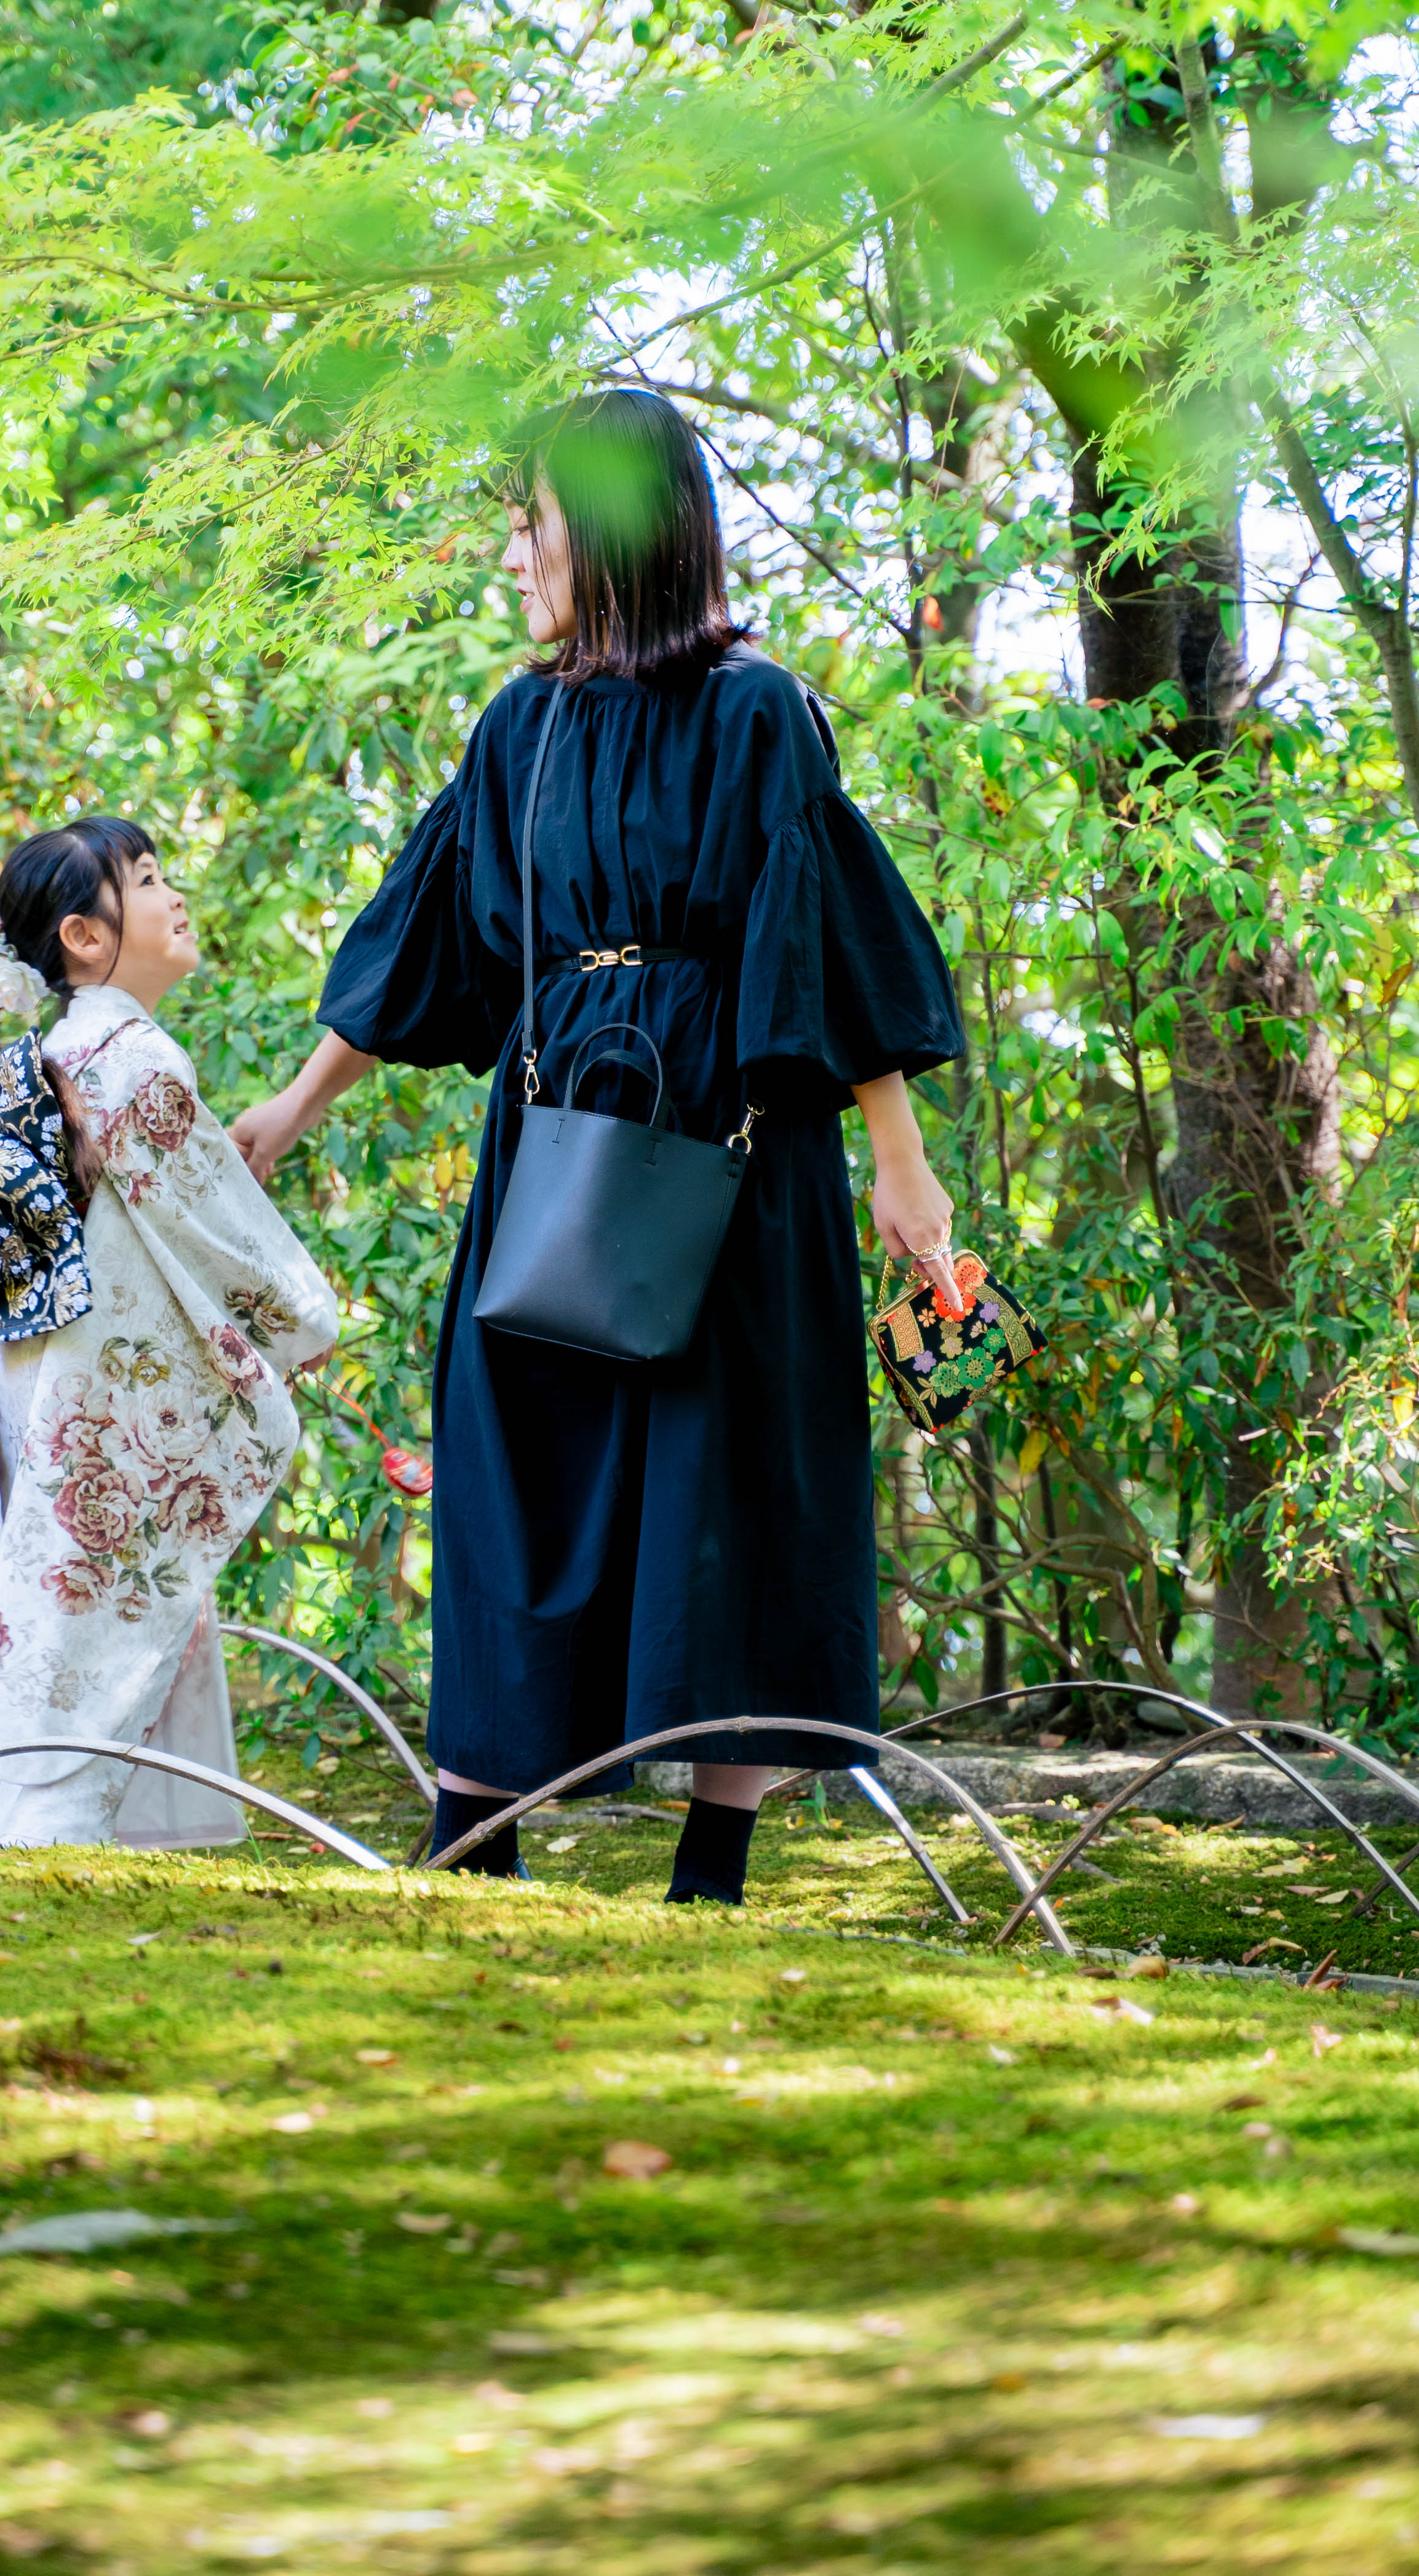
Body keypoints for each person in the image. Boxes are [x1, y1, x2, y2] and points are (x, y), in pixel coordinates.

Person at [231, 389, 964, 1906]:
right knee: (516, 1463)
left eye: (533, 522)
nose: (513, 551)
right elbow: (437, 928)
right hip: (559, 1131)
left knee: (727, 1474)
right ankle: (471, 1834)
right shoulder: (524, 723)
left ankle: (714, 1863)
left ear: (615, 532)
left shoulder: (763, 713)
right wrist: (297, 1106)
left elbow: (821, 935)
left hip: (735, 1145)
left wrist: (901, 1165)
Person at [0, 817, 338, 1851]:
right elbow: (217, 1232)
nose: (173, 894)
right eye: (147, 880)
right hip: (107, 1387)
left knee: (84, 1599)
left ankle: (75, 1836)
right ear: (85, 938)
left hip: (54, 1373)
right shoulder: (134, 1057)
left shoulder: (54, 1051)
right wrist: (303, 1319)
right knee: (101, 1605)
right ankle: (53, 1844)